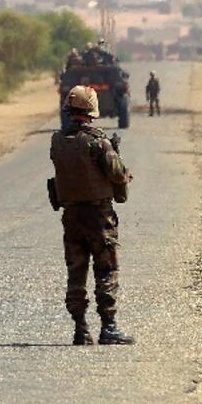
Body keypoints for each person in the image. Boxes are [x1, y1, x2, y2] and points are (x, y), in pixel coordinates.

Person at [50, 86, 134, 346]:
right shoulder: (99, 142)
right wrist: (124, 170)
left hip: (71, 216)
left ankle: (80, 329)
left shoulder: (57, 140)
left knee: (76, 271)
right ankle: (108, 328)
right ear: (91, 111)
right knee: (106, 269)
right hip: (99, 216)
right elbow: (117, 175)